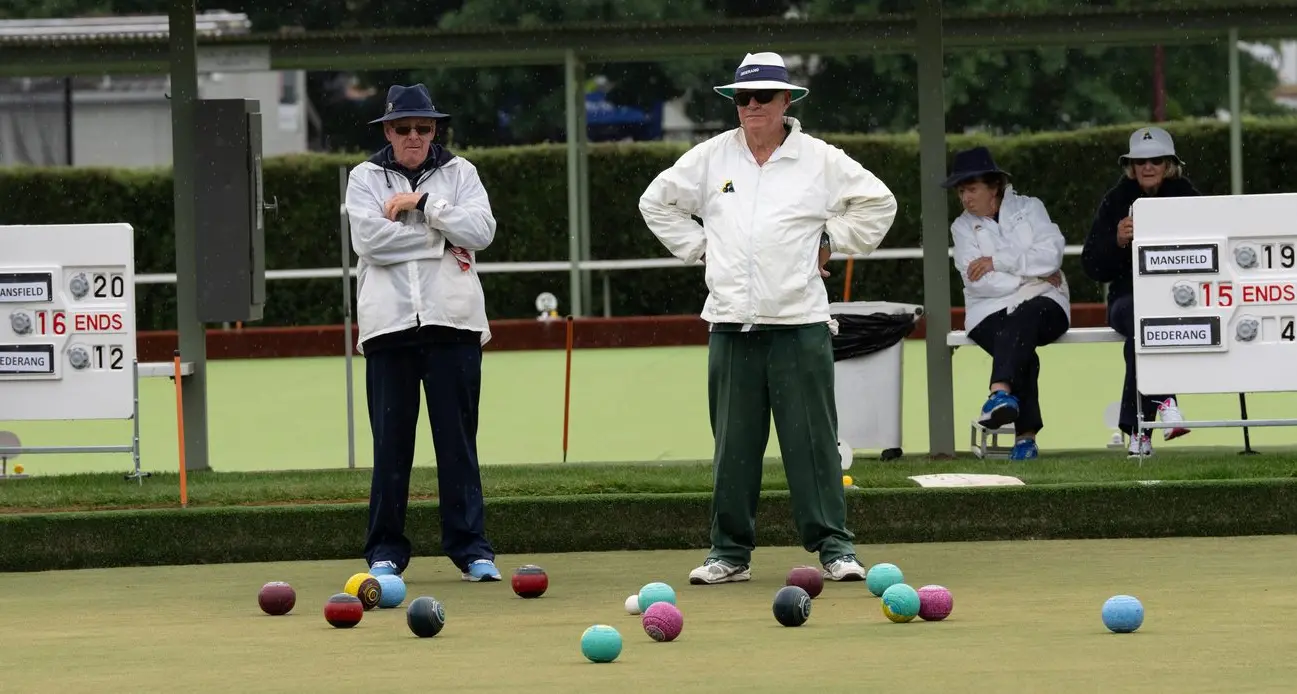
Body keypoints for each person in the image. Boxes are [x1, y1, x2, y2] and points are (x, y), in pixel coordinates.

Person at [638, 52, 898, 585]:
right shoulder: (710, 159)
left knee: (812, 444)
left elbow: (879, 203)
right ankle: (728, 554)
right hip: (731, 323)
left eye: (762, 97)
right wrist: (700, 248)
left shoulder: (820, 159)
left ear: (787, 101)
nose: (751, 106)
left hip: (800, 322)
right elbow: (655, 202)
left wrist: (832, 240)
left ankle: (835, 548)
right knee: (733, 446)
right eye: (742, 98)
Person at [344, 83, 502, 582]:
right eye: (403, 127)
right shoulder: (364, 177)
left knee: (457, 442)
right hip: (387, 326)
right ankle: (386, 551)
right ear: (387, 131)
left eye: (424, 127)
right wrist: (438, 237)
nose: (414, 136)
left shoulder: (461, 173)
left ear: (435, 129)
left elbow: (481, 232)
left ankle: (471, 549)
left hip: (453, 323)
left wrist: (424, 203)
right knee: (391, 444)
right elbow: (368, 241)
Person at [944, 147, 1071, 461]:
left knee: (1024, 319)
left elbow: (1052, 254)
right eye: (961, 192)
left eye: (972, 189)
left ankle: (1000, 393)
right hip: (988, 311)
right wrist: (1035, 278)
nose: (965, 199)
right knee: (1022, 344)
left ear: (995, 187)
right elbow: (979, 282)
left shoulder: (1031, 208)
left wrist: (997, 261)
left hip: (1047, 304)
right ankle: (1025, 440)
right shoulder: (961, 227)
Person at [1082, 126, 1194, 458]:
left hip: (1179, 299)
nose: (1147, 167)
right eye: (1140, 161)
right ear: (1131, 166)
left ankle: (1137, 432)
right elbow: (1091, 265)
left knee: (1147, 330)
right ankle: (1166, 402)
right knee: (1144, 323)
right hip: (1126, 299)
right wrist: (1116, 242)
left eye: (1155, 160)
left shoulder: (1189, 198)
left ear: (1169, 164)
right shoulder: (1115, 200)